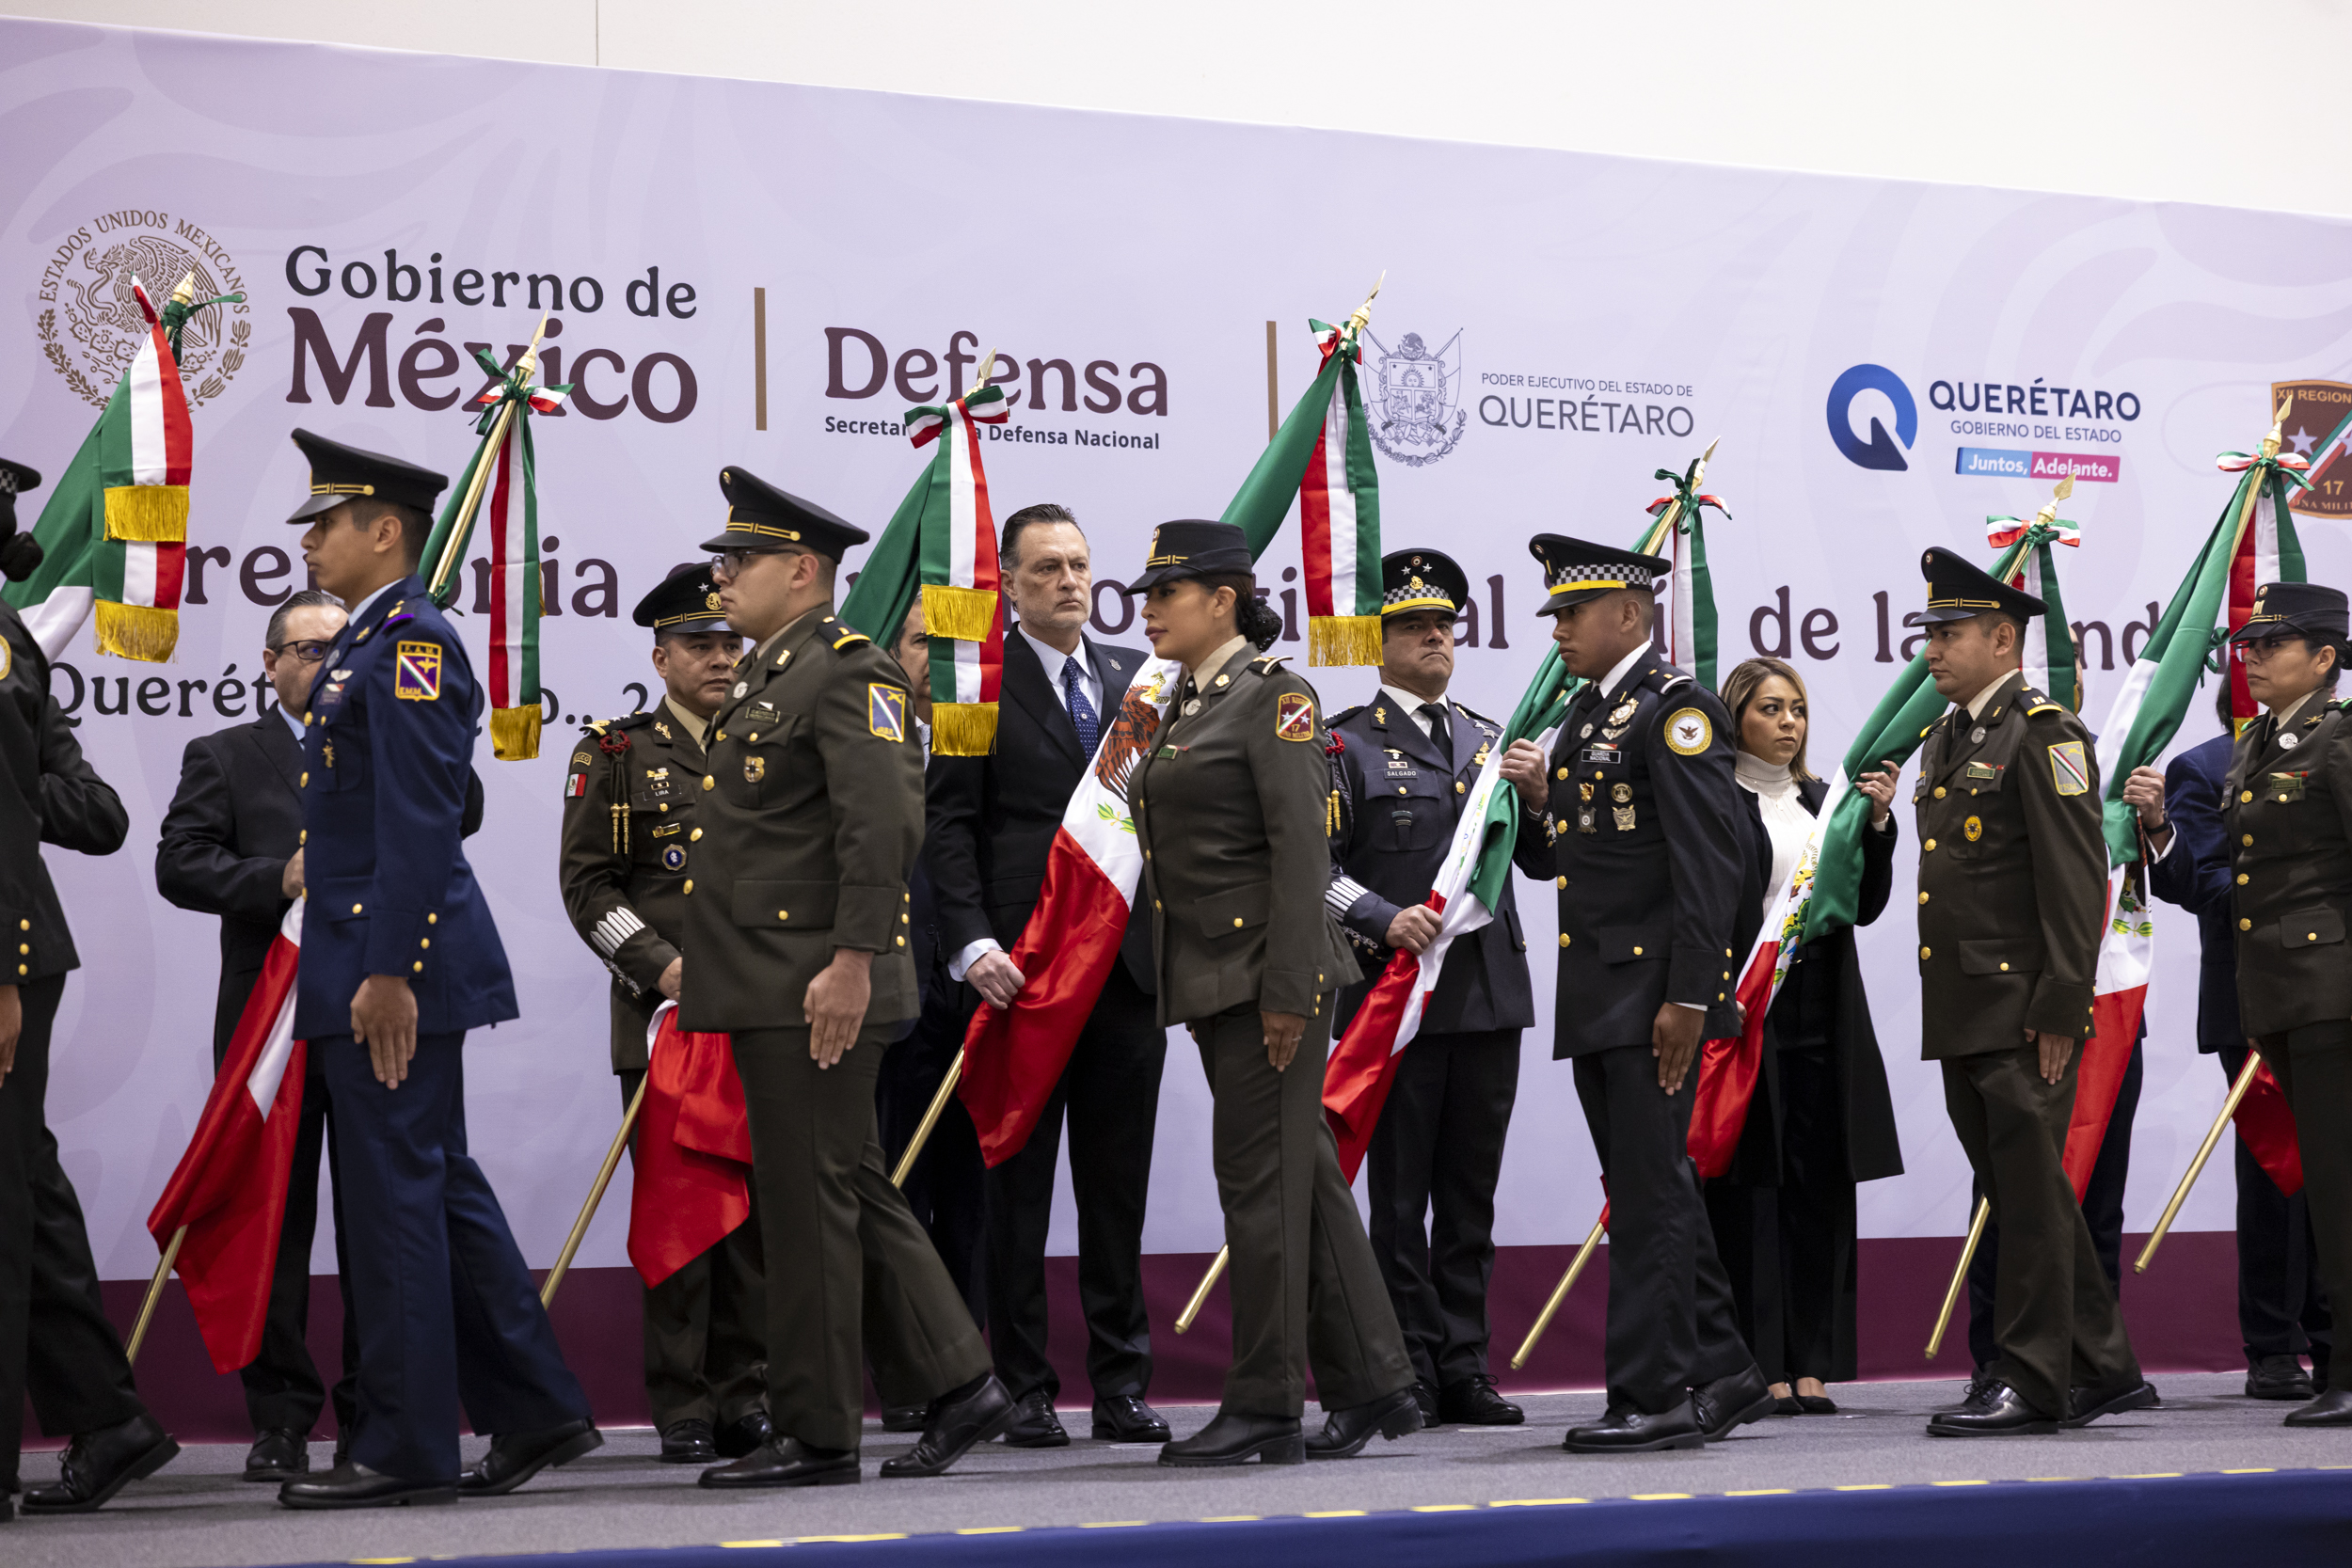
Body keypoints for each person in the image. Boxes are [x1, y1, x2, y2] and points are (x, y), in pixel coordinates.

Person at [273, 429, 599, 1508]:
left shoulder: (411, 642)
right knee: (435, 1187)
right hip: (372, 956)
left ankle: (405, 1446)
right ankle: (539, 1405)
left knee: (395, 1206)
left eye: (326, 523)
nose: (310, 539)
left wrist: (389, 971)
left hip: (388, 968)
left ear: (385, 531)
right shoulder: (376, 639)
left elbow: (422, 816)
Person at [681, 467, 1009, 1488]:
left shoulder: (846, 671)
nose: (722, 579)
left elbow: (884, 825)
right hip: (776, 976)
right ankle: (961, 1383)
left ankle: (818, 1430)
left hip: (818, 981)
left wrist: (853, 961)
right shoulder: (774, 672)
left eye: (739, 562)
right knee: (842, 1185)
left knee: (811, 1202)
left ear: (801, 569)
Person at [1126, 518, 1418, 1467]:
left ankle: (1263, 1402)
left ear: (1220, 600)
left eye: (1164, 593)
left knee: (1260, 1192)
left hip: (1267, 979)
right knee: (1302, 1180)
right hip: (1214, 974)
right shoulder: (1188, 699)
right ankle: (1376, 1378)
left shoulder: (1276, 697)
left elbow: (1302, 851)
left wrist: (1291, 988)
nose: (1147, 608)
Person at [923, 502, 1169, 1448]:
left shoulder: (1135, 680)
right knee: (1014, 1192)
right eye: (1046, 568)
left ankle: (1121, 1383)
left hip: (1124, 971)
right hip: (1017, 973)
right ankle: (1022, 1384)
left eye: (1077, 563)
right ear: (1008, 581)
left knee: (1117, 1187)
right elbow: (946, 825)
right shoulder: (977, 681)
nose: (1068, 581)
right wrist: (970, 941)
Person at [1521, 533, 1767, 1454]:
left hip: (1653, 995)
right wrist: (1539, 807)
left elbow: (1713, 863)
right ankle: (1727, 1369)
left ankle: (1653, 1390)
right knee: (1645, 1187)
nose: (1557, 631)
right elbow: (1578, 859)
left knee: (1650, 1195)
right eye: (1553, 614)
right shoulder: (1591, 716)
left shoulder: (1676, 712)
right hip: (1598, 989)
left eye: (1571, 612)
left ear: (1627, 612)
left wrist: (1692, 995)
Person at [1899, 546, 2150, 1436]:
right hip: (1962, 1005)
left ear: (2004, 638)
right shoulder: (1945, 736)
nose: (1931, 647)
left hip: (2020, 1007)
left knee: (2032, 1194)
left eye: (1949, 631)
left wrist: (2059, 1006)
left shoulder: (2044, 731)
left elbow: (2076, 879)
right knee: (2020, 1189)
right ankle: (2104, 1365)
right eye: (1928, 631)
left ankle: (2037, 1377)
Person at [1324, 548, 1542, 1429]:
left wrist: (1541, 793)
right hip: (1395, 1000)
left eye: (1445, 626)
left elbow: (1546, 858)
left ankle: (1466, 1366)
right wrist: (1380, 916)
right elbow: (1317, 867)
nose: (1435, 639)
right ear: (1378, 641)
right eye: (1415, 627)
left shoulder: (1493, 739)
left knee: (1470, 1199)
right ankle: (1405, 1364)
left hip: (1487, 998)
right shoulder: (1344, 739)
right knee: (1398, 1196)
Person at [559, 565, 769, 1466]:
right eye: (700, 645)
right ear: (661, 656)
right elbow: (587, 886)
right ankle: (683, 1403)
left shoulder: (773, 742)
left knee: (756, 1222)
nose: (721, 658)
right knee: (681, 1219)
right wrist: (662, 966)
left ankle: (750, 1394)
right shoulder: (614, 752)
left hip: (762, 1017)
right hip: (666, 1021)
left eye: (730, 643)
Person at [1, 456, 179, 1519]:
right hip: (24, 947)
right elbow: (72, 804)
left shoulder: (11, 648)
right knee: (27, 1185)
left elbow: (96, 814)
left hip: (8, 958)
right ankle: (109, 1418)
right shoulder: (16, 645)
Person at [154, 588, 361, 1481]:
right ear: (270, 664)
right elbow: (180, 861)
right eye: (306, 651)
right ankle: (280, 1417)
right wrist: (279, 875)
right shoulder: (226, 754)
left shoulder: (388, 740)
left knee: (375, 1218)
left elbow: (460, 807)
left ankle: (374, 1408)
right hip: (266, 1020)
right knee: (272, 1219)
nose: (322, 665)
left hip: (372, 1011)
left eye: (337, 650)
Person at [1703, 657, 1903, 1416]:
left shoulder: (1827, 802)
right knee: (1753, 1186)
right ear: (1735, 718)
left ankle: (1812, 1358)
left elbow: (1865, 903)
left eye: (1797, 710)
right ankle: (1758, 1359)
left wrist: (1878, 822)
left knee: (1819, 1182)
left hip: (1823, 1008)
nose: (1788, 723)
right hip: (1747, 1009)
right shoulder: (1715, 799)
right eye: (1769, 709)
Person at [2130, 677, 2331, 1399]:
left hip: (2332, 996)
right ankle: (2273, 1346)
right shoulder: (2208, 766)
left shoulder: (2336, 753)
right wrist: (2292, 893)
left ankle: (2333, 1339)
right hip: (2254, 1001)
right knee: (2277, 1172)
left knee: (2334, 1174)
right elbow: (2196, 882)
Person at [2212, 581, 2352, 1426]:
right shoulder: (2259, 741)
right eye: (2248, 645)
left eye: (2273, 644)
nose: (2252, 657)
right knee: (2322, 1192)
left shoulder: (2339, 740)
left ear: (2325, 657)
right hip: (2282, 997)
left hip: (2333, 994)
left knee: (2339, 1192)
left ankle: (2348, 1368)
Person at [871, 593, 989, 1435]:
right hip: (891, 999)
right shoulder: (869, 741)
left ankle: (971, 1370)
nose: (937, 662)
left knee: (974, 1197)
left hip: (975, 993)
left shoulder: (984, 744)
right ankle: (910, 1368)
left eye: (952, 646)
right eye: (923, 643)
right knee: (895, 1186)